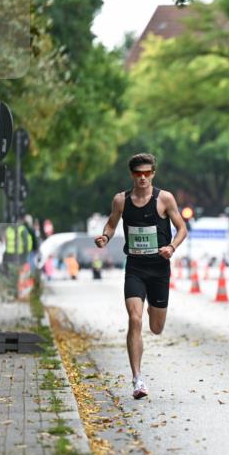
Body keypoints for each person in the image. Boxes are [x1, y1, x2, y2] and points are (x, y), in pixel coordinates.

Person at [95, 153, 188, 399]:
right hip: (135, 267)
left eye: (147, 173)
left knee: (156, 328)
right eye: (138, 174)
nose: (143, 177)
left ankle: (152, 308)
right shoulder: (121, 200)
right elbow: (112, 224)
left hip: (159, 269)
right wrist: (104, 237)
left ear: (153, 174)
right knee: (134, 319)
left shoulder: (164, 198)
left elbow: (182, 228)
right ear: (132, 175)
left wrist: (172, 247)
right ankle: (137, 379)